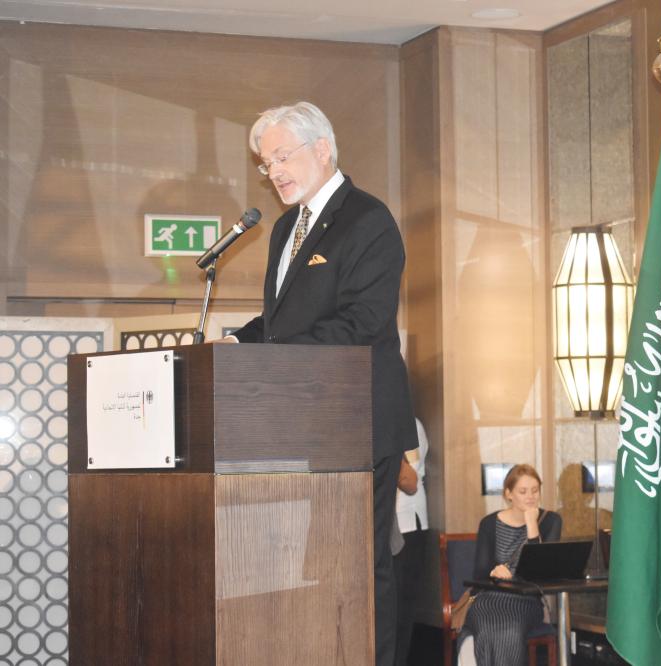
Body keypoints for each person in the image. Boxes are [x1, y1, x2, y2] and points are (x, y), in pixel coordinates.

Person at [224, 101, 417, 666]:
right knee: (316, 568)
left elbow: (363, 322)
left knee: (358, 564)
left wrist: (272, 354)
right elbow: (284, 322)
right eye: (266, 163)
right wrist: (238, 344)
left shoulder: (368, 219)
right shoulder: (286, 226)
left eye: (282, 156)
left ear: (323, 149)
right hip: (304, 423)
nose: (273, 171)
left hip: (357, 419)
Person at [459, 464, 561, 666]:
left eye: (535, 490)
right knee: (488, 627)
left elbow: (542, 572)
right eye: (523, 491)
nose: (530, 496)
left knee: (509, 630)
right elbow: (478, 576)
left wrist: (532, 525)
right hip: (489, 598)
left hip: (526, 601)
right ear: (509, 494)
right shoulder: (489, 523)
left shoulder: (551, 521)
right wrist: (494, 572)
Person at [393, 418, 429, 666]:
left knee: (401, 610)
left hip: (407, 525)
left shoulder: (408, 425)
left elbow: (409, 481)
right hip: (385, 527)